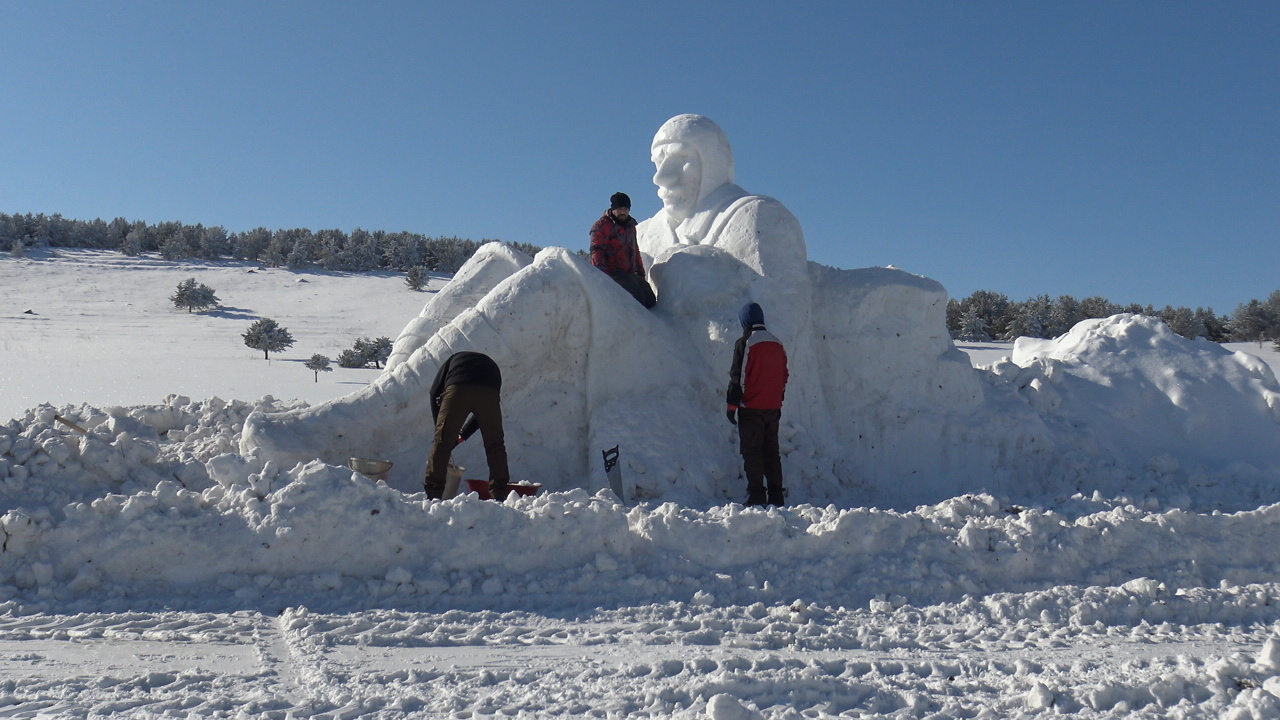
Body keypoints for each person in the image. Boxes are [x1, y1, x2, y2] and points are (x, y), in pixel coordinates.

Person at [726, 302, 789, 506]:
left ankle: (756, 496)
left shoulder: (746, 342)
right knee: (772, 452)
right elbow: (784, 374)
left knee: (752, 452)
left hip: (751, 408)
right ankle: (777, 497)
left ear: (745, 320)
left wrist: (732, 406)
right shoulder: (777, 343)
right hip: (773, 408)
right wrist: (777, 398)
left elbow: (738, 376)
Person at [425, 351, 510, 500]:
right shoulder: (489, 365)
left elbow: (434, 392)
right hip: (489, 389)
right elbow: (481, 412)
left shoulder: (452, 360)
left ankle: (434, 495)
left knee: (442, 443)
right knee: (495, 445)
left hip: (458, 388)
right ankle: (500, 494)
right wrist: (463, 435)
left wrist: (441, 429)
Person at [590, 192, 656, 308]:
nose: (623, 212)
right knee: (638, 298)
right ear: (613, 209)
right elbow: (597, 251)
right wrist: (602, 277)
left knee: (650, 300)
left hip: (629, 272)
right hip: (613, 273)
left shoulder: (630, 227)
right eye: (620, 208)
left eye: (626, 209)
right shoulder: (602, 226)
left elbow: (635, 250)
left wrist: (641, 274)